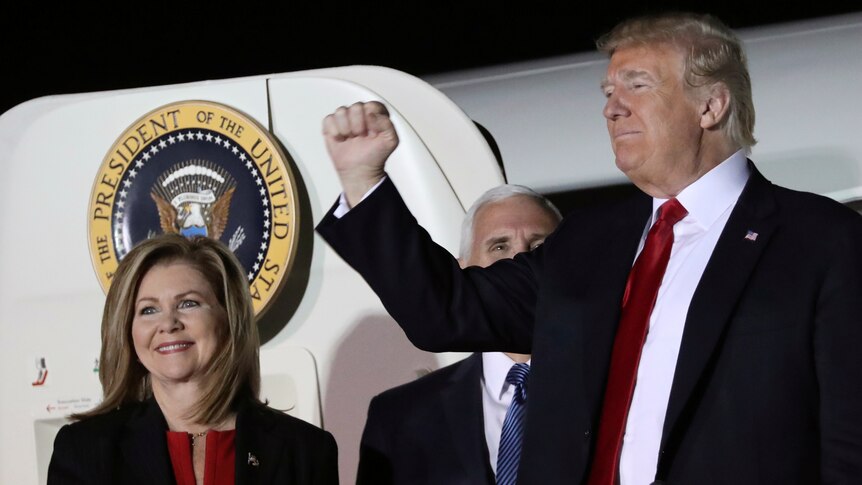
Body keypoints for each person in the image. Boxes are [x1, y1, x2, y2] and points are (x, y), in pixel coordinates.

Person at [316, 12, 862, 485]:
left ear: (710, 106)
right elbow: (444, 310)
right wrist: (365, 182)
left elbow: (850, 440)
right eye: (607, 92)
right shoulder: (586, 243)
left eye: (638, 85)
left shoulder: (822, 240)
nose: (613, 109)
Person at [48, 235, 338, 484]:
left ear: (228, 317)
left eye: (188, 303)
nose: (169, 323)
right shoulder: (84, 449)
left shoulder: (305, 450)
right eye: (148, 310)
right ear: (128, 329)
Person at [357, 185, 562, 485]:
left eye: (538, 248)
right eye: (499, 246)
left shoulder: (614, 388)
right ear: (463, 269)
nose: (520, 260)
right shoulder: (399, 417)